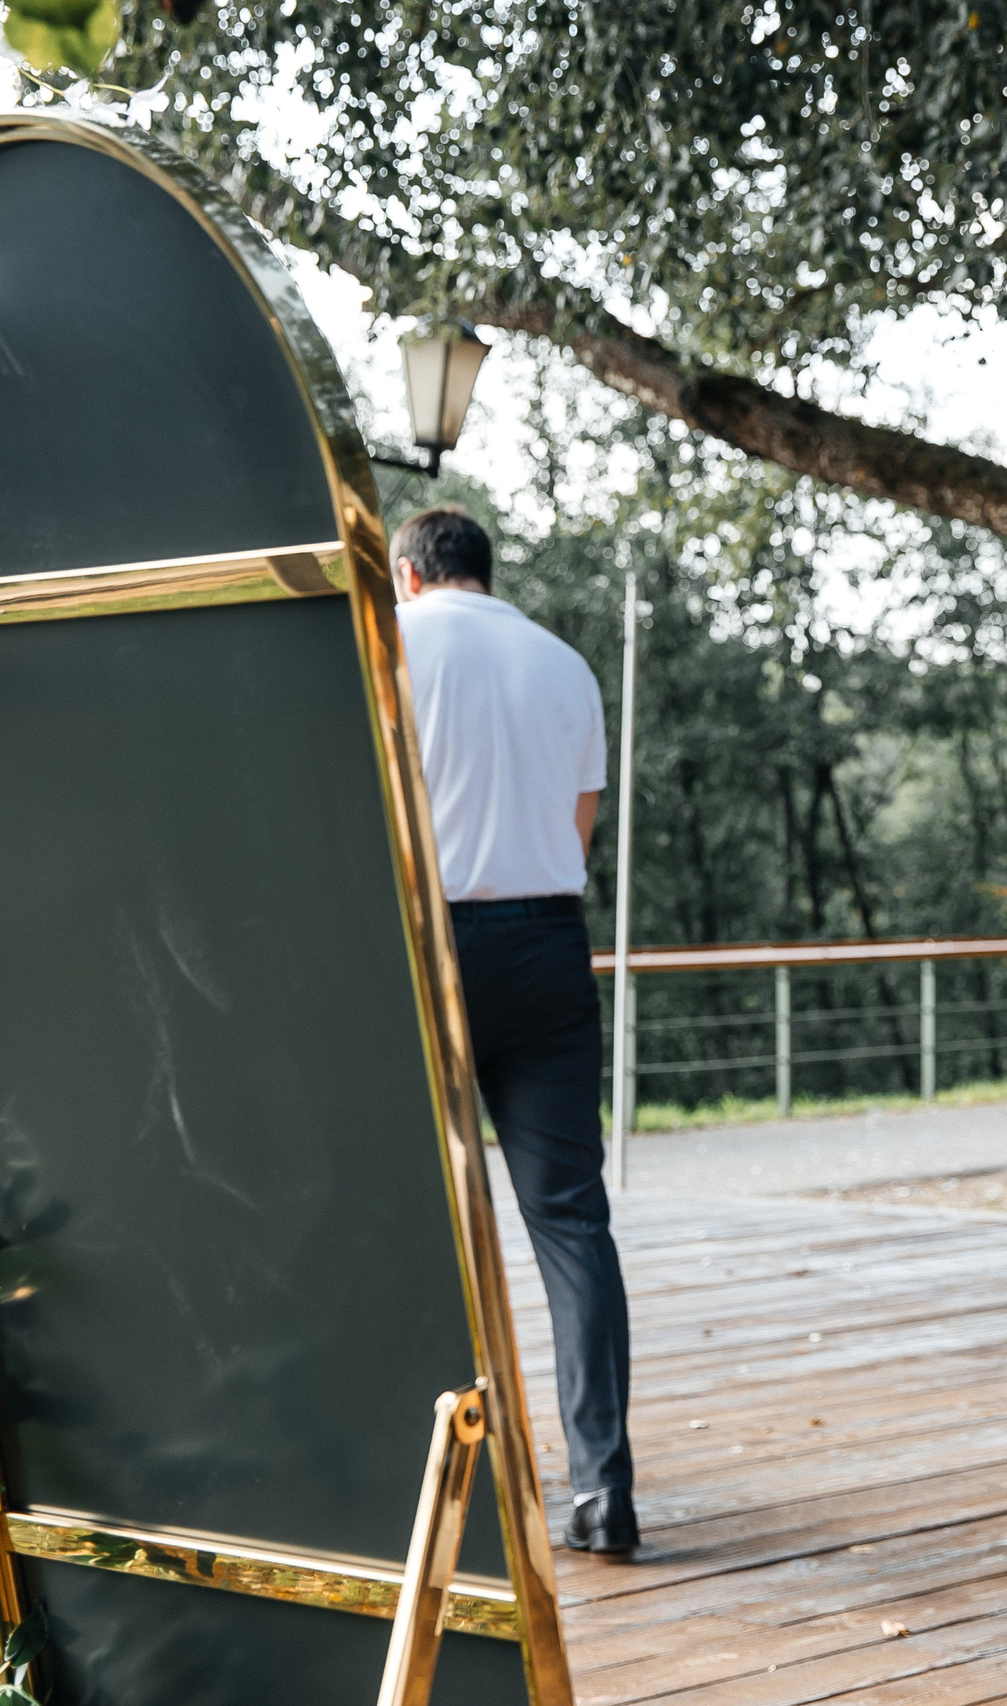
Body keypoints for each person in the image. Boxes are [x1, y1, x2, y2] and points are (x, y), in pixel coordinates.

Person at [391, 505, 640, 1557]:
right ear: (483, 572)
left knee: (413, 1212)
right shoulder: (565, 665)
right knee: (573, 1223)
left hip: (427, 946)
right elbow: (576, 833)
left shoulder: (389, 643)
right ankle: (603, 1491)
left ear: (409, 575)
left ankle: (431, 1480)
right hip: (547, 943)